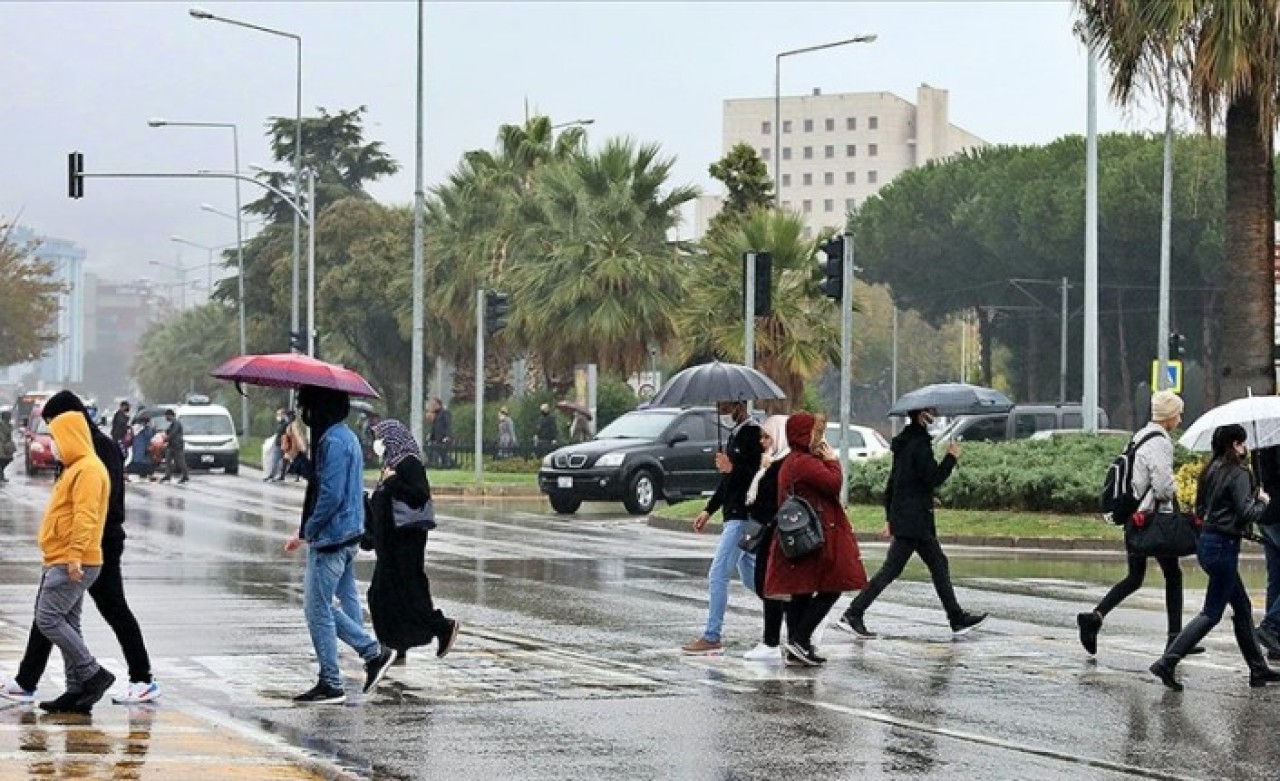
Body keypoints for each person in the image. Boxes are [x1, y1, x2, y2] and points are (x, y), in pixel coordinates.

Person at [3, 391, 159, 706]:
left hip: (94, 543)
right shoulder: (79, 452)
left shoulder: (96, 451)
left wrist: (78, 549)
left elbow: (96, 507)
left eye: (53, 424)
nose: (52, 434)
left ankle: (134, 677)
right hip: (79, 545)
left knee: (95, 610)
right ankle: (49, 683)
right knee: (58, 613)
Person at [835, 407, 987, 638]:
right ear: (920, 415)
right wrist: (951, 457)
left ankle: (956, 617)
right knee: (899, 569)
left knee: (933, 565)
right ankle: (853, 612)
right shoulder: (919, 444)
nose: (933, 414)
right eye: (929, 411)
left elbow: (894, 484)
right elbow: (931, 478)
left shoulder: (904, 443)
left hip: (908, 517)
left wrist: (891, 517)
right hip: (915, 520)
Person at [284, 384, 394, 704]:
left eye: (308, 407)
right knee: (326, 606)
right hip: (347, 534)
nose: (306, 414)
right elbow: (326, 484)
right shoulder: (344, 437)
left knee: (316, 609)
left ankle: (359, 662)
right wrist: (298, 456)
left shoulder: (332, 440)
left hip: (332, 537)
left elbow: (329, 494)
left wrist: (309, 529)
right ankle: (350, 666)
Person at [1150, 424, 1280, 691]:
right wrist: (1263, 500)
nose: (1245, 448)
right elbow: (1247, 512)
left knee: (1243, 609)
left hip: (1208, 543)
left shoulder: (1211, 470)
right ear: (1235, 444)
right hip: (1223, 548)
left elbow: (1201, 508)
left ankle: (1258, 670)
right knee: (1211, 613)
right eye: (1242, 443)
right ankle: (1168, 661)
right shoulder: (1239, 473)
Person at [1076, 391, 1191, 656]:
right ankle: (1175, 640)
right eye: (1178, 413)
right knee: (1173, 575)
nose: (1180, 418)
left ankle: (1094, 618)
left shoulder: (1140, 435)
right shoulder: (1160, 442)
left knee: (1135, 577)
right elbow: (1162, 488)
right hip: (1152, 520)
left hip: (1133, 518)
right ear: (1169, 416)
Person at [24, 403, 116, 713]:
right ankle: (77, 691)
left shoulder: (88, 470)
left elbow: (85, 517)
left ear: (73, 438)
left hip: (73, 559)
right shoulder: (77, 468)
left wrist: (74, 555)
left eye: (58, 439)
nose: (55, 447)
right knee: (68, 623)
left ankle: (92, 673)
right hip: (63, 556)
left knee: (47, 618)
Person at [764, 412, 868, 665]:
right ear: (803, 434)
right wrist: (833, 461)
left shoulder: (794, 461)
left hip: (805, 535)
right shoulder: (804, 462)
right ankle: (800, 639)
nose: (818, 438)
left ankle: (799, 646)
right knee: (832, 586)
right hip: (817, 536)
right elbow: (833, 484)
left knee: (803, 590)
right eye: (814, 432)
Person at [361, 419, 460, 666]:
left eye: (380, 437)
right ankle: (396, 645)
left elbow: (419, 494)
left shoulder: (409, 462)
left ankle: (440, 627)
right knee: (388, 596)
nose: (377, 443)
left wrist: (394, 482)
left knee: (402, 594)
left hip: (405, 544)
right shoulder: (391, 464)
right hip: (389, 545)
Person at [682, 400, 762, 654]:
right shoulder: (735, 434)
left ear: (738, 403)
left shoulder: (752, 433)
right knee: (752, 577)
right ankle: (793, 612)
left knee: (717, 574)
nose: (720, 410)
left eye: (724, 405)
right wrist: (709, 509)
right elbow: (727, 482)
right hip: (733, 513)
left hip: (742, 515)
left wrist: (733, 467)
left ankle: (712, 635)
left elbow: (756, 473)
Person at [742, 414, 790, 663]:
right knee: (765, 585)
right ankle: (779, 638)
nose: (763, 442)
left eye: (768, 436)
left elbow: (771, 498)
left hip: (776, 531)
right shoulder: (772, 463)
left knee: (770, 585)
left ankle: (772, 642)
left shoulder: (784, 464)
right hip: (766, 530)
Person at [1252, 445, 1280, 661]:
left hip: (1266, 512)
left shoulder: (1261, 440)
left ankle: (1275, 642)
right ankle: (1271, 627)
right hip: (1278, 512)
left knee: (1276, 579)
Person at [158, 409, 189, 484]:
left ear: (170, 415)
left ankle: (185, 476)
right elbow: (168, 431)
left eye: (166, 416)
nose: (166, 418)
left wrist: (166, 438)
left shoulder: (177, 423)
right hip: (171, 445)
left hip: (177, 445)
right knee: (168, 460)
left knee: (180, 461)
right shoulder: (172, 424)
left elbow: (172, 434)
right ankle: (167, 475)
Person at [125, 417, 157, 482]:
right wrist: (153, 428)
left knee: (136, 462)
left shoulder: (135, 428)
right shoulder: (144, 428)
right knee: (143, 462)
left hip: (137, 447)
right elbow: (149, 435)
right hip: (142, 448)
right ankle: (150, 475)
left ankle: (126, 474)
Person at [426, 398, 453, 468]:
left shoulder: (445, 413)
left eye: (434, 405)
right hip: (435, 438)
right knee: (431, 450)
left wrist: (447, 436)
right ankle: (433, 463)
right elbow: (433, 426)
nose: (433, 406)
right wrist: (430, 434)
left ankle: (447, 464)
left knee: (442, 452)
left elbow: (448, 425)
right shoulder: (435, 414)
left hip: (442, 437)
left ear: (439, 405)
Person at [264, 408, 289, 482]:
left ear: (283, 415)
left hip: (282, 445)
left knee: (276, 460)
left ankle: (272, 476)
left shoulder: (285, 424)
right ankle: (280, 476)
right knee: (281, 460)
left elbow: (285, 434)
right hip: (279, 444)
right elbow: (278, 433)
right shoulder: (281, 424)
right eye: (277, 414)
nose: (277, 416)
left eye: (279, 414)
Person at [0, 410, 15, 482]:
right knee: (2, 460)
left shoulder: (9, 425)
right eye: (8, 416)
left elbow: (9, 433)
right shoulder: (1, 425)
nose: (10, 418)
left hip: (8, 445)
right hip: (2, 445)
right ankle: (1, 476)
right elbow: (3, 435)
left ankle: (1, 475)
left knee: (9, 459)